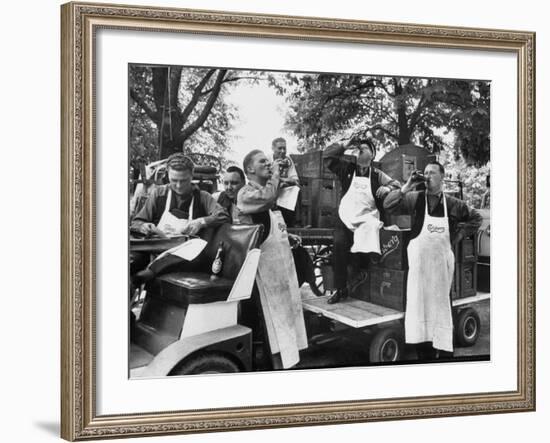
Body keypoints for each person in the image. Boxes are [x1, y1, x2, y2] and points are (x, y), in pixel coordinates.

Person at [384, 161, 483, 360]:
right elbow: (388, 205)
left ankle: (445, 355)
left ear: (442, 177)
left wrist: (458, 236)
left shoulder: (454, 204)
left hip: (441, 274)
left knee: (441, 313)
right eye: (425, 172)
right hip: (420, 274)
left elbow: (476, 218)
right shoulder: (414, 198)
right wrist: (406, 186)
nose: (427, 176)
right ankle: (424, 356)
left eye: (432, 172)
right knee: (420, 314)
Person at [236, 149, 308, 370]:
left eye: (269, 161)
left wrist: (287, 234)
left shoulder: (269, 190)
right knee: (270, 324)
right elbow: (267, 200)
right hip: (263, 272)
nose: (269, 164)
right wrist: (276, 174)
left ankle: (288, 364)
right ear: (250, 169)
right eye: (263, 162)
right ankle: (274, 370)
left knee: (286, 318)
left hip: (280, 267)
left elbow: (270, 222)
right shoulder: (246, 193)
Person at [130, 153, 229, 283]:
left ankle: (150, 272)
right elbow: (137, 222)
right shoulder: (159, 193)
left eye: (183, 181)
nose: (178, 185)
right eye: (173, 180)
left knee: (195, 249)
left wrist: (201, 222)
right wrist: (144, 226)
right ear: (168, 176)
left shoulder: (202, 197)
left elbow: (223, 215)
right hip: (157, 247)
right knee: (131, 262)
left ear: (191, 176)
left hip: (185, 253)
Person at [322, 139, 400, 304]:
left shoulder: (378, 175)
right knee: (339, 244)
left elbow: (397, 185)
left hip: (367, 218)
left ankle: (363, 279)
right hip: (346, 217)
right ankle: (340, 288)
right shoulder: (346, 169)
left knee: (367, 245)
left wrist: (388, 188)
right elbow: (328, 157)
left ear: (372, 154)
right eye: (359, 149)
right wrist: (344, 145)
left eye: (365, 148)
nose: (361, 150)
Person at [270, 137, 300, 227]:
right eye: (280, 148)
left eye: (284, 148)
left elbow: (295, 180)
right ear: (273, 148)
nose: (282, 151)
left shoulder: (288, 160)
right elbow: (266, 178)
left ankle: (295, 222)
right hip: (271, 188)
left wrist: (282, 181)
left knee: (296, 189)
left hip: (283, 188)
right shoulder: (267, 159)